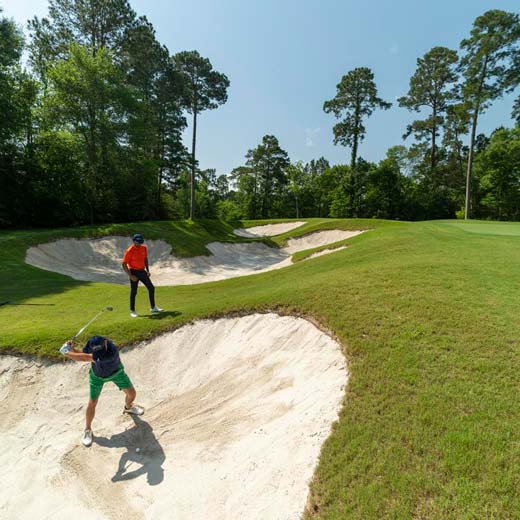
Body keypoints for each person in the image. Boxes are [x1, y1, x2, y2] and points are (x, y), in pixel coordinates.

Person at [61, 335, 144, 447]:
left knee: (132, 394)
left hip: (117, 374)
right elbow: (85, 354)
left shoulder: (111, 350)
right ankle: (87, 429)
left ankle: (128, 407)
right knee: (92, 402)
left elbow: (86, 358)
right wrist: (71, 349)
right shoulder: (92, 343)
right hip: (97, 377)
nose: (96, 352)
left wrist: (66, 352)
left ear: (105, 343)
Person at [122, 233, 163, 318]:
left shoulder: (144, 248)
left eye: (141, 242)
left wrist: (147, 270)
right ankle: (132, 310)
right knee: (134, 291)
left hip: (142, 271)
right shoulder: (129, 251)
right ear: (134, 241)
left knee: (151, 288)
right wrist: (130, 276)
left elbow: (145, 259)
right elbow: (124, 264)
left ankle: (153, 308)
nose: (139, 243)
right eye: (138, 242)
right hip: (133, 272)